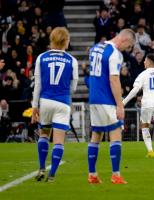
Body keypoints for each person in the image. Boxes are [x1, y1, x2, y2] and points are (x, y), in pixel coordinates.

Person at [87, 29, 135, 185]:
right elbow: (114, 79)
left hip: (94, 97)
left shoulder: (96, 47)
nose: (126, 50)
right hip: (106, 99)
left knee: (97, 135)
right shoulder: (115, 53)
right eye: (128, 46)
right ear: (125, 40)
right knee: (115, 134)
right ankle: (116, 175)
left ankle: (92, 174)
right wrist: (120, 105)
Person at [31, 27, 78, 182]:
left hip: (45, 101)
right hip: (63, 102)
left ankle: (42, 167)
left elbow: (37, 85)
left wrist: (34, 106)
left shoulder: (41, 58)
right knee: (59, 141)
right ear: (65, 41)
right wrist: (66, 95)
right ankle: (52, 175)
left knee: (44, 134)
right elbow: (74, 87)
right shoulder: (72, 60)